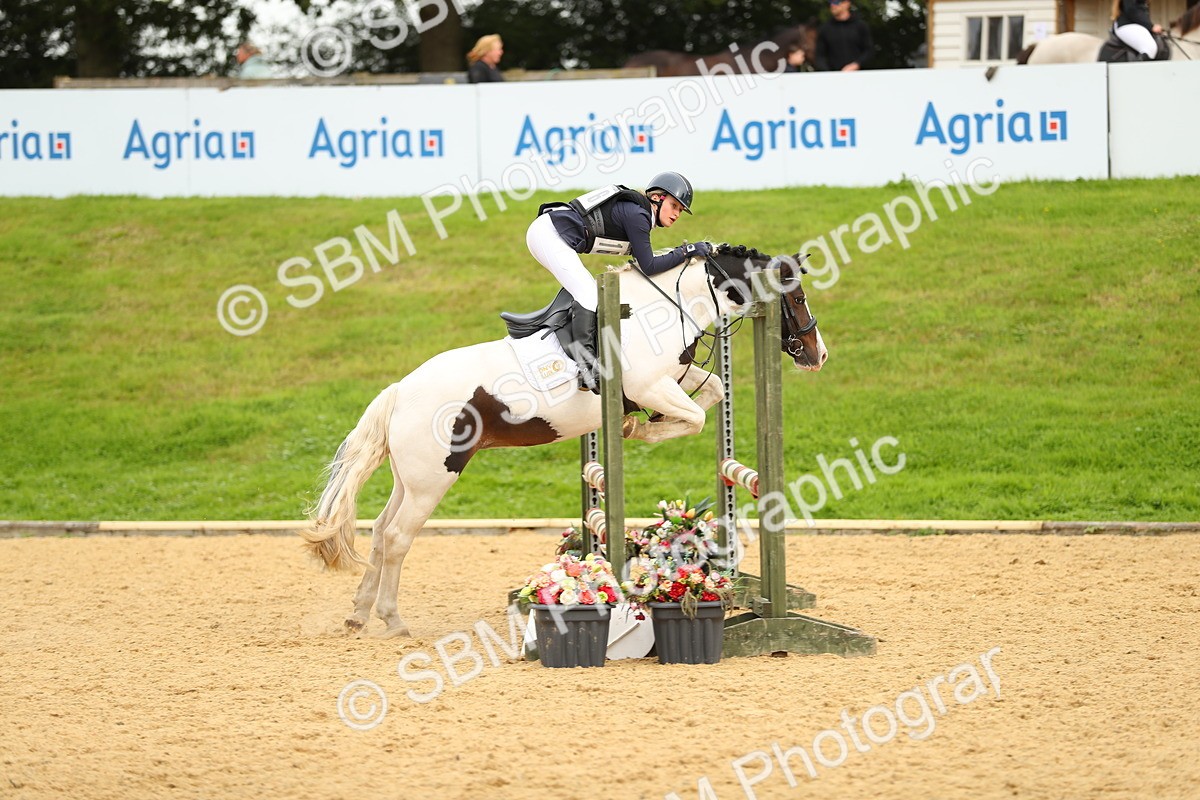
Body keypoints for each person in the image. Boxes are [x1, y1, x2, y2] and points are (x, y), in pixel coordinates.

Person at [525, 172, 709, 393]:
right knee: (588, 294)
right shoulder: (639, 215)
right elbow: (649, 266)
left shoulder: (639, 213)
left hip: (549, 233)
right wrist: (686, 251)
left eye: (681, 210)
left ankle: (582, 353)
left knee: (590, 293)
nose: (677, 214)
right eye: (675, 206)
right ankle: (586, 369)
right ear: (658, 198)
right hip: (549, 234)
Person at [815, 0, 873, 72]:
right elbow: (820, 56)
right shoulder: (824, 29)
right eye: (831, 2)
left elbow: (868, 51)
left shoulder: (860, 26)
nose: (832, 5)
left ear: (847, 3)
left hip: (858, 77)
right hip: (833, 78)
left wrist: (856, 64)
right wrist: (829, 73)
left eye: (836, 2)